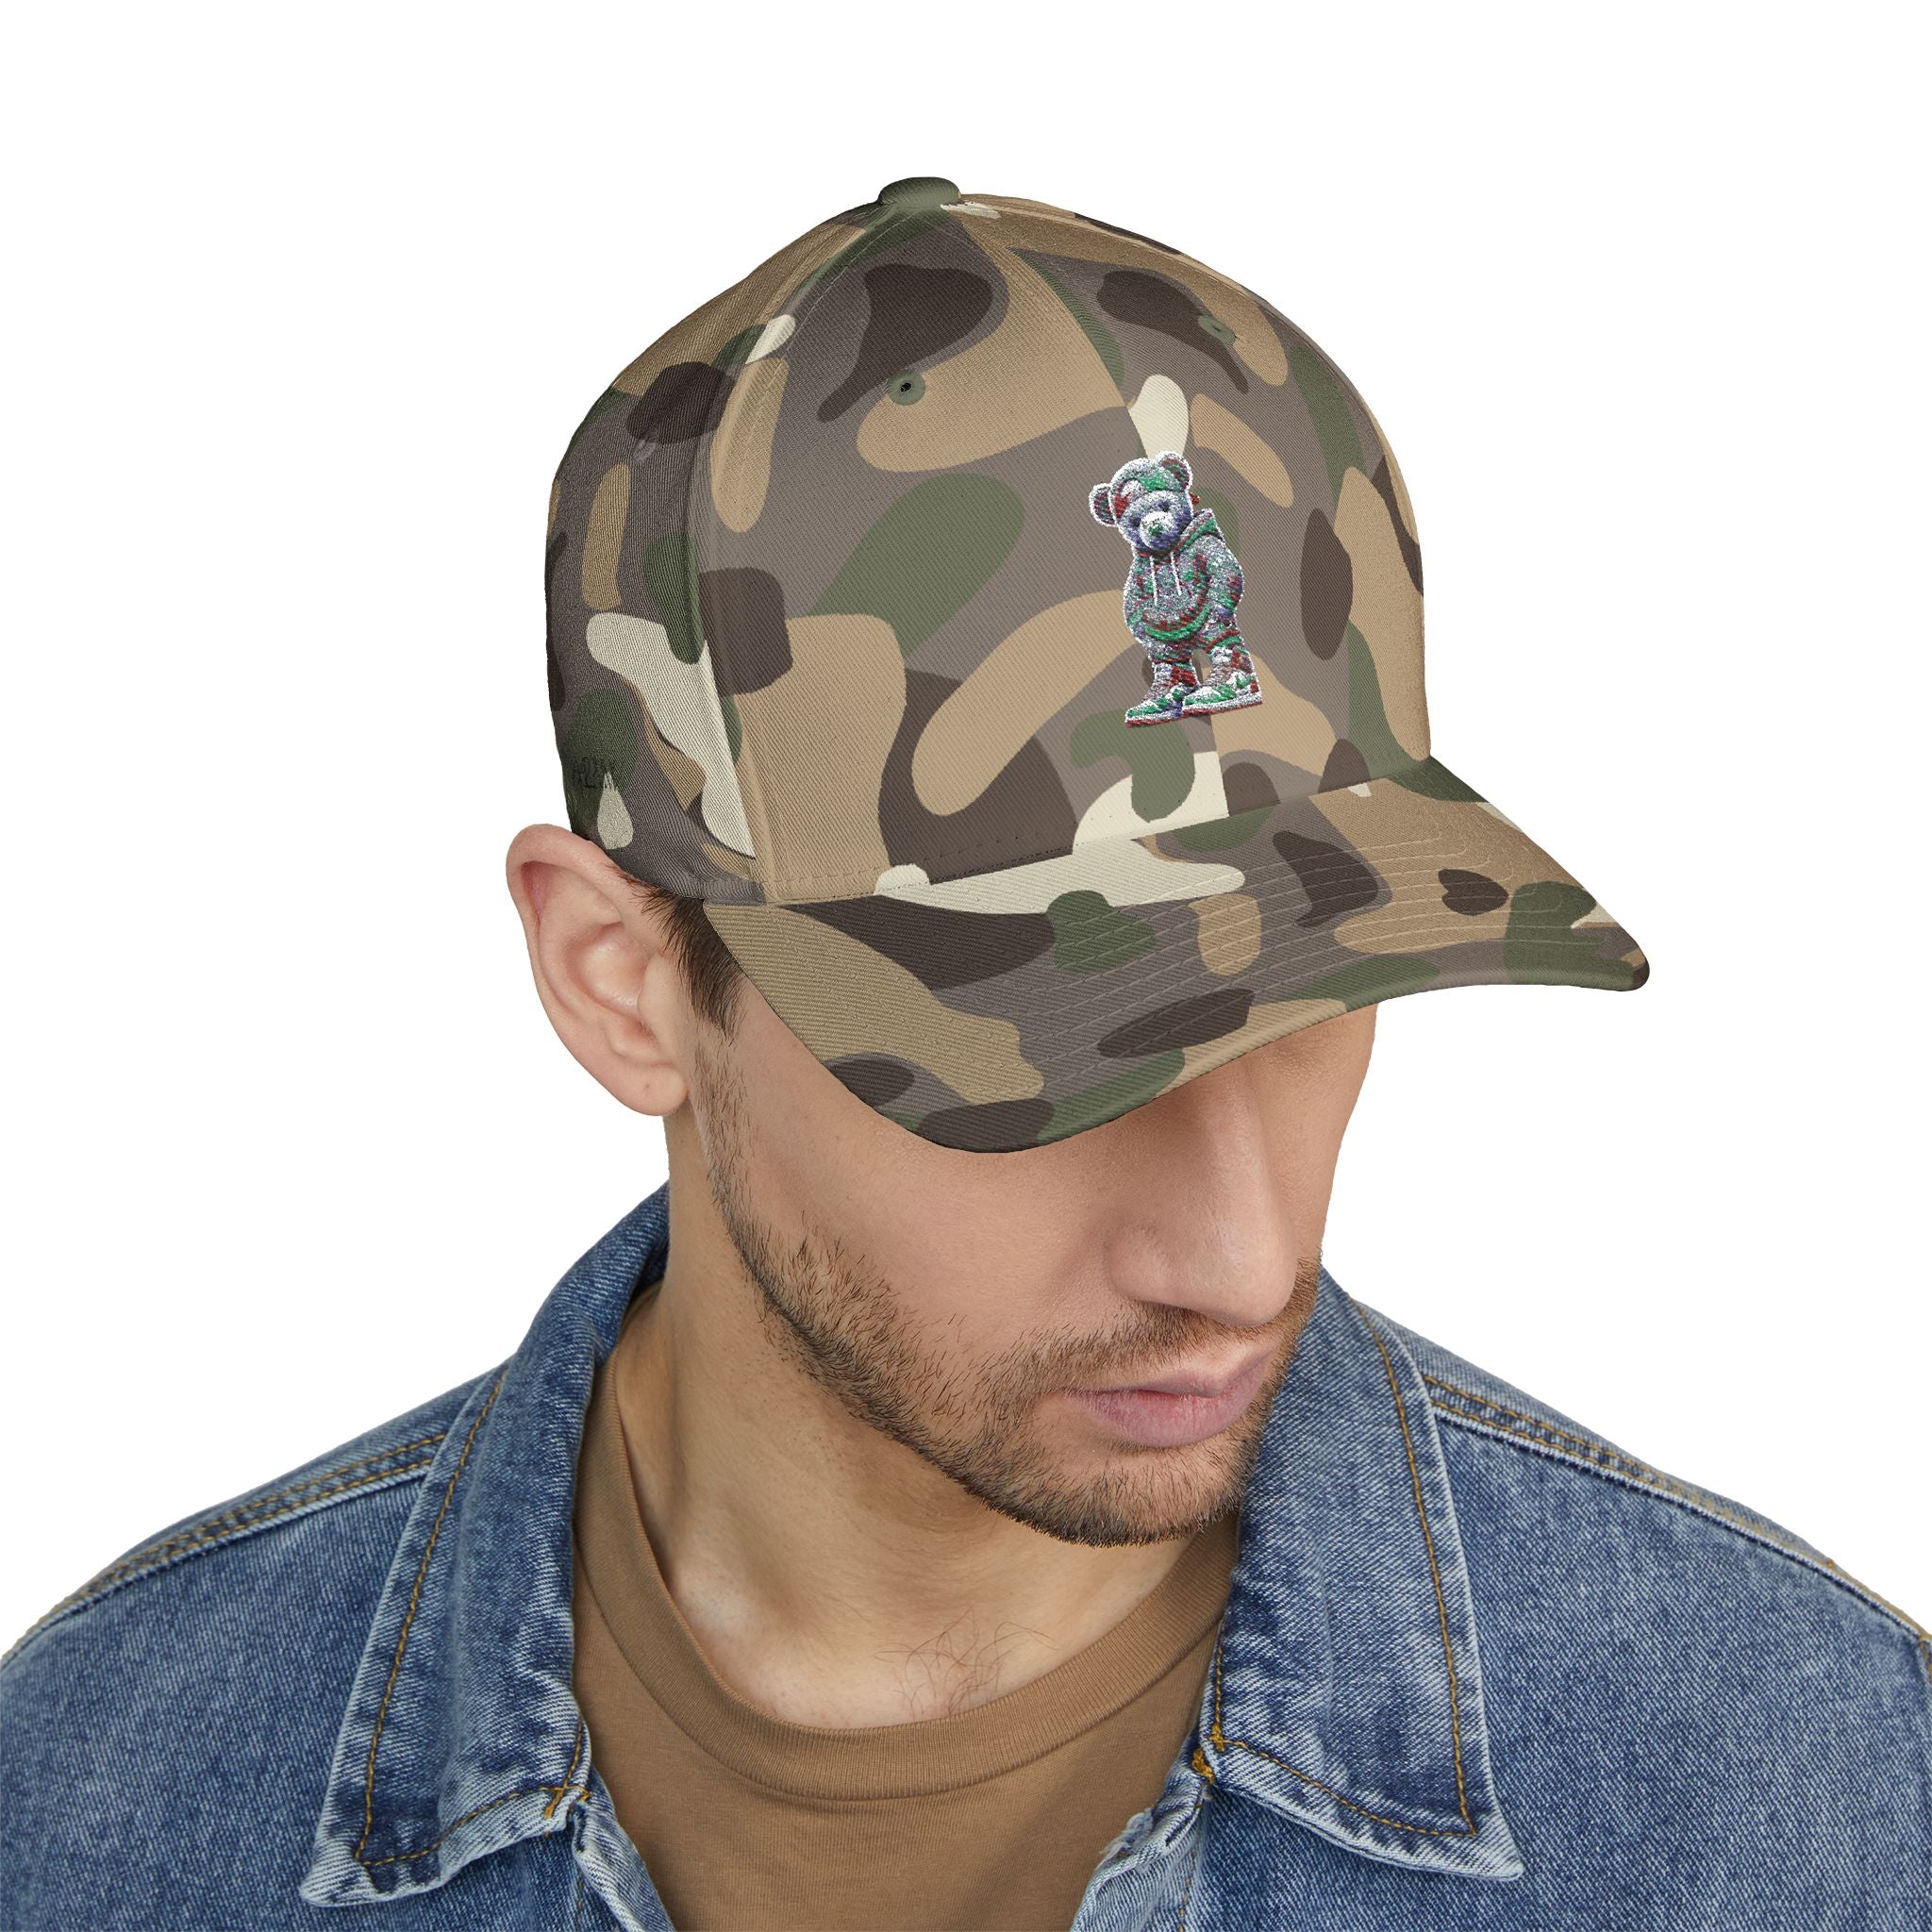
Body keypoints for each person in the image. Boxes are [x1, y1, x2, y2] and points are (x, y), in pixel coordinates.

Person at [2, 175, 1924, 1932]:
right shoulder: (102, 1806)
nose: (1242, 1253)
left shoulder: (1805, 1783)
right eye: (1044, 1055)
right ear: (624, 979)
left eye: (1317, 1001)